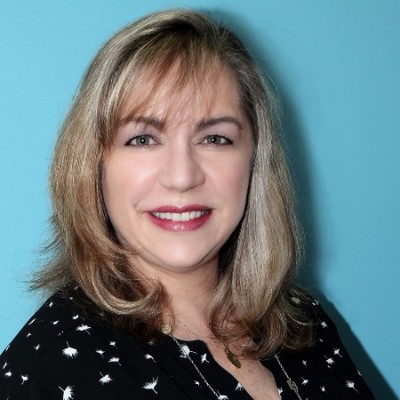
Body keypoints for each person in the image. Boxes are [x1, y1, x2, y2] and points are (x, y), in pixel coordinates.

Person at [0, 9, 374, 400]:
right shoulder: (51, 367)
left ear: (254, 159)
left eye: (214, 139)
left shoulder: (304, 323)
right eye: (143, 139)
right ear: (94, 164)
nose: (182, 177)